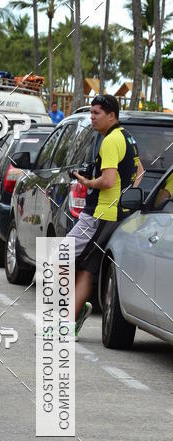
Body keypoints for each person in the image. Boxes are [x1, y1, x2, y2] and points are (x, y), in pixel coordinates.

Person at [72, 94, 144, 337]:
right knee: (85, 269)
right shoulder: (128, 137)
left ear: (111, 115)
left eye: (96, 114)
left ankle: (69, 316)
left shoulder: (111, 141)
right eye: (91, 113)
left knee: (56, 259)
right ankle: (71, 319)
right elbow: (140, 171)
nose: (91, 118)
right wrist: (125, 195)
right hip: (113, 213)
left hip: (99, 214)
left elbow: (108, 180)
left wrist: (87, 181)